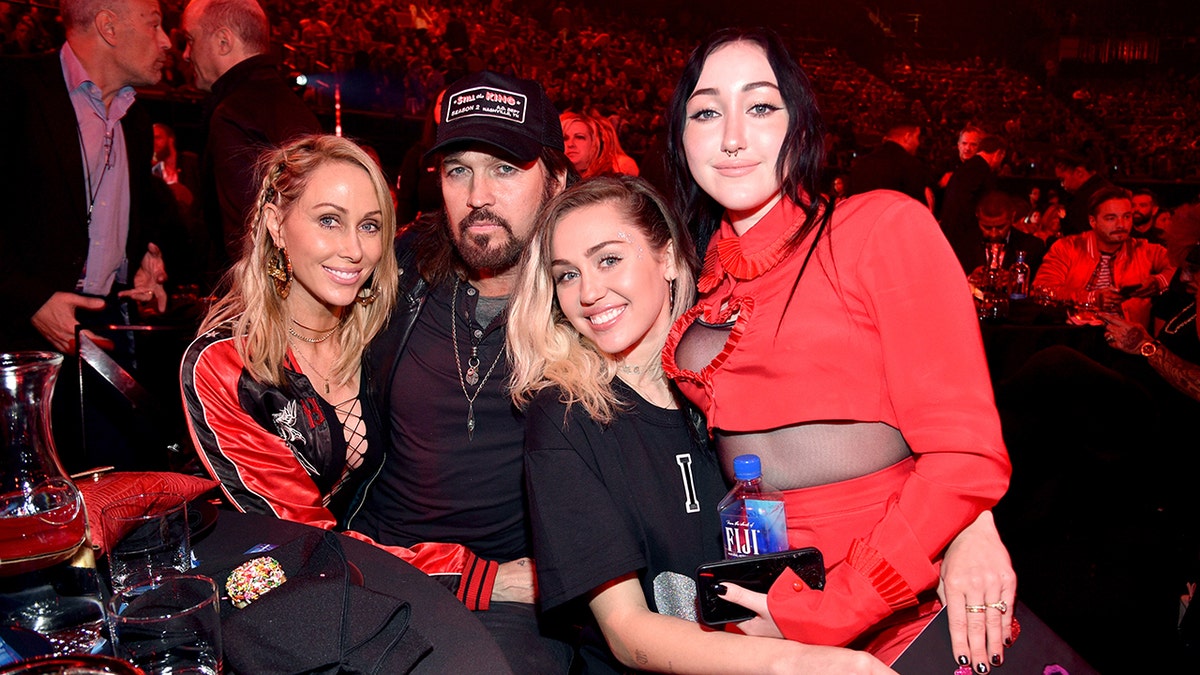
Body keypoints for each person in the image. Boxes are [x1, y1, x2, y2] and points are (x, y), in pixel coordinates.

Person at [660, 27, 1012, 672]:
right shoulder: (691, 274)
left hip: (892, 593)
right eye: (706, 111)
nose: (732, 135)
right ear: (682, 141)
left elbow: (964, 455)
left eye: (761, 107)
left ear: (803, 128)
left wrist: (968, 527)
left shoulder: (878, 226)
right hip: (759, 591)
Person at [509, 175, 898, 674]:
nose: (588, 292)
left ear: (668, 258)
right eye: (566, 274)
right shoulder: (564, 415)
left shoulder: (737, 367)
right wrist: (797, 664)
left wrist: (968, 530)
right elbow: (628, 633)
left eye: (609, 259)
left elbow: (881, 454)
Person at [349, 70, 577, 673]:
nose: (478, 194)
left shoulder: (586, 303)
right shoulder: (395, 274)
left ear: (555, 180)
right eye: (459, 170)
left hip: (514, 591)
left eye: (505, 168)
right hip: (377, 562)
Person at [180, 134, 397, 529]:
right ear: (276, 225)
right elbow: (301, 530)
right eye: (329, 220)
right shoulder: (226, 364)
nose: (354, 249)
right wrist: (470, 575)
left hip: (347, 564)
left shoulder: (379, 338)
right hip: (248, 567)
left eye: (369, 226)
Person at [0, 0, 177, 472]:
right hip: (14, 345)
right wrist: (30, 299)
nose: (167, 42)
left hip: (95, 340)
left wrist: (142, 256)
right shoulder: (13, 89)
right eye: (156, 24)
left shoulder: (136, 119)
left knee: (99, 498)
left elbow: (116, 217)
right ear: (108, 26)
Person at [181, 0, 322, 288]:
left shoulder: (233, 115)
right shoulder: (296, 110)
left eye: (189, 40)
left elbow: (244, 238)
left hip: (258, 306)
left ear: (223, 41)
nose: (185, 54)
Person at [1033, 185, 1174, 328]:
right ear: (1093, 221)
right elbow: (1042, 289)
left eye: (1127, 217)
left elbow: (1179, 266)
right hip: (1076, 334)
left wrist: (1158, 282)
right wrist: (1092, 298)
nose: (1121, 225)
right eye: (1111, 218)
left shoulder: (1143, 249)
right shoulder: (1068, 247)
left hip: (1128, 338)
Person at [847, 122, 933, 210]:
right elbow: (916, 209)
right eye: (917, 137)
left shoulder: (862, 164)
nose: (918, 143)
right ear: (907, 137)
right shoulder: (911, 165)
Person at [960, 190, 1046, 277]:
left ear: (1012, 217)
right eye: (987, 227)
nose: (994, 234)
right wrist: (969, 279)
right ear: (977, 217)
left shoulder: (1032, 247)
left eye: (1000, 227)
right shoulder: (963, 245)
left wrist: (1014, 282)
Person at [561, 111, 618, 179]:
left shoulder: (609, 184)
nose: (570, 144)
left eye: (579, 137)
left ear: (594, 142)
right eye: (565, 138)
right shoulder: (552, 182)